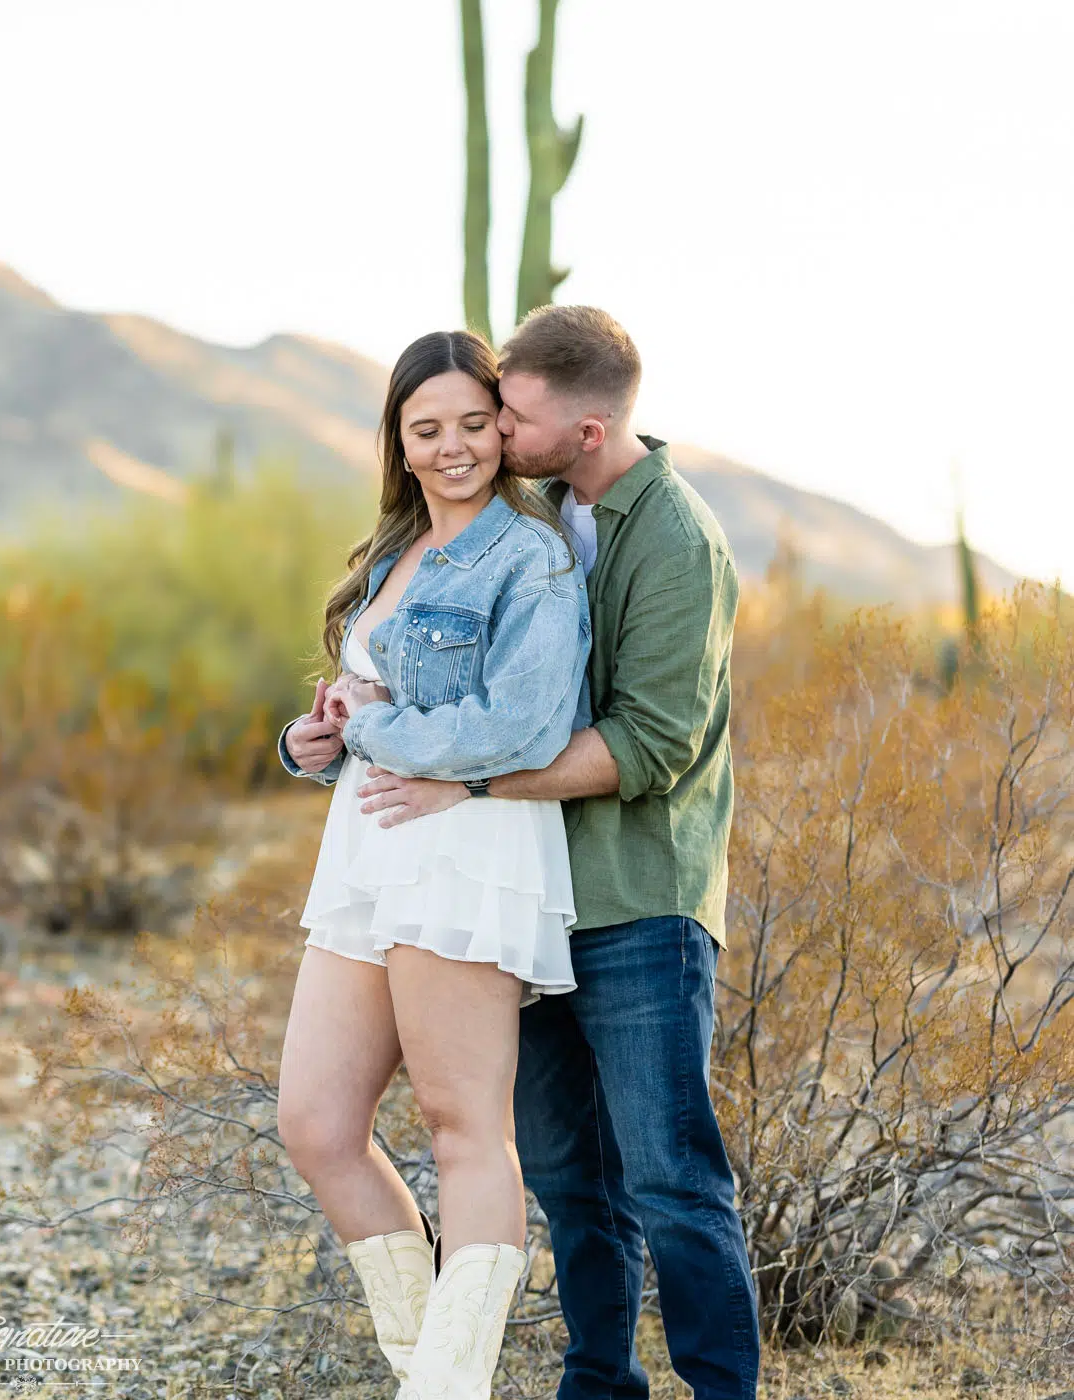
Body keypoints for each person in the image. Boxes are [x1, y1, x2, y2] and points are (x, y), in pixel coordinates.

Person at [349, 305, 760, 1399]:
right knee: (576, 1180)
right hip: (534, 901)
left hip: (640, 899)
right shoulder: (544, 516)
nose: (493, 434)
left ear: (583, 426)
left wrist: (469, 777)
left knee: (673, 1177)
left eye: (511, 414)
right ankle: (598, 1383)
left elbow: (653, 744)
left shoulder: (671, 537)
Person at [275, 327, 590, 1400]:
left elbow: (524, 719)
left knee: (466, 1126)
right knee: (316, 1122)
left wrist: (373, 729)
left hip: (466, 845)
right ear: (399, 443)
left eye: (472, 423)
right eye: (427, 429)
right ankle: (433, 1372)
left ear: (501, 431)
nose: (453, 447)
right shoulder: (390, 551)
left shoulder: (530, 555)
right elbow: (368, 701)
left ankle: (444, 1388)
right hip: (369, 847)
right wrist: (316, 739)